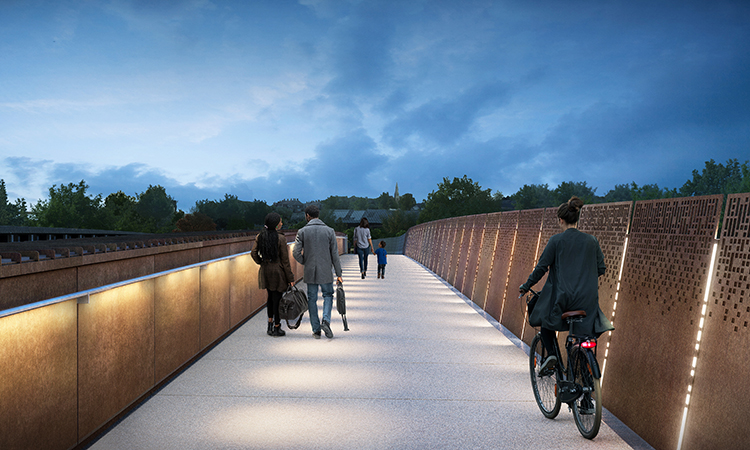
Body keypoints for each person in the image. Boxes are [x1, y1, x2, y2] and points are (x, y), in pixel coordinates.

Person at [519, 197, 614, 372]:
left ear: (560, 220)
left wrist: (526, 285)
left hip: (562, 299)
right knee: (581, 334)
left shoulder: (556, 241)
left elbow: (541, 268)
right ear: (577, 219)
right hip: (587, 301)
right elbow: (601, 268)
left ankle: (552, 355)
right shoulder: (591, 241)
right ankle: (585, 381)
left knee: (545, 321)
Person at [293, 205, 343, 339]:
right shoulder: (329, 231)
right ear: (318, 215)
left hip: (310, 270)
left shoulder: (302, 231)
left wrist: (305, 261)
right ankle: (326, 320)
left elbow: (295, 252)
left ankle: (316, 329)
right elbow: (334, 254)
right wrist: (339, 274)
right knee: (328, 295)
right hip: (325, 270)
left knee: (312, 299)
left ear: (307, 216)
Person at [251, 212, 295, 337]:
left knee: (270, 298)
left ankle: (269, 324)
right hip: (278, 271)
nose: (282, 223)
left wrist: (261, 262)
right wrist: (290, 278)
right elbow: (285, 261)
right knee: (277, 299)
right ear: (276, 225)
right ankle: (277, 327)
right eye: (280, 222)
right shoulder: (280, 238)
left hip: (266, 270)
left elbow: (253, 253)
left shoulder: (261, 236)